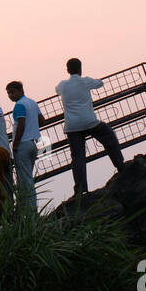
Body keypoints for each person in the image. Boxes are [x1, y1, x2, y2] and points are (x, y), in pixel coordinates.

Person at [56, 58, 124, 195]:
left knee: (78, 157)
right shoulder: (86, 81)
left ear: (67, 70)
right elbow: (100, 83)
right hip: (89, 122)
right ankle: (120, 165)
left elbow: (57, 90)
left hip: (72, 126)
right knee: (109, 137)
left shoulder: (62, 85)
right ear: (80, 69)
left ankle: (80, 189)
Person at [6, 80, 43, 213]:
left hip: (22, 145)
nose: (10, 95)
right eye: (8, 93)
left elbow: (21, 124)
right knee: (24, 179)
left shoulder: (19, 105)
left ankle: (32, 211)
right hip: (33, 143)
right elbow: (41, 120)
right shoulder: (32, 102)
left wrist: (15, 145)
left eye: (12, 92)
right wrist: (33, 128)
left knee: (25, 180)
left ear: (21, 90)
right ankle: (23, 210)